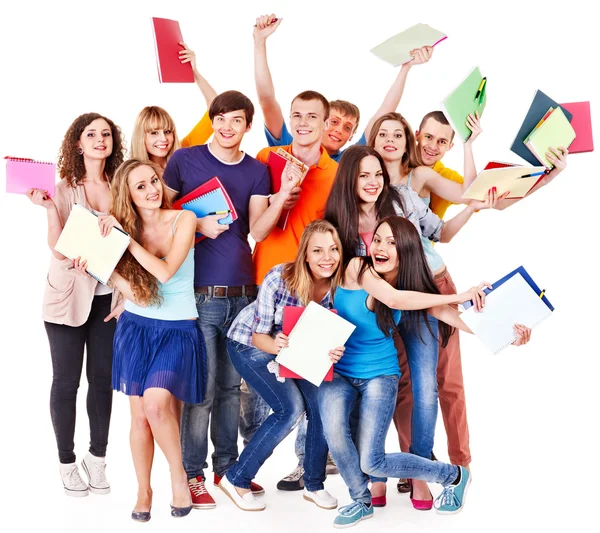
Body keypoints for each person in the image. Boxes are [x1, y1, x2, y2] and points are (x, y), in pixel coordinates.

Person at [321, 216, 531, 528]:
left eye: (391, 242)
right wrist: (459, 295)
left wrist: (508, 335)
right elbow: (392, 298)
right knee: (344, 428)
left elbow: (456, 319)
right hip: (345, 366)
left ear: (405, 250)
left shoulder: (413, 286)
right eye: (377, 239)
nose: (380, 247)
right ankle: (366, 490)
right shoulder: (358, 267)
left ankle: (438, 474)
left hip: (383, 363)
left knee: (400, 424)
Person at [325, 144, 498, 507]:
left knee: (426, 387)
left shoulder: (401, 200)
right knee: (382, 385)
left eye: (377, 174)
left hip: (419, 298)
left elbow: (440, 236)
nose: (373, 182)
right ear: (349, 180)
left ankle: (419, 472)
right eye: (363, 175)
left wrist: (493, 329)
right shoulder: (339, 222)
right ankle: (376, 475)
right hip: (378, 309)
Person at [163, 89, 297, 509]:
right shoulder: (184, 161)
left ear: (246, 125)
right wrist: (197, 223)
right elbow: (158, 216)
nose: (226, 126)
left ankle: (226, 468)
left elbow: (257, 230)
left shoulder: (257, 171)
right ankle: (193, 474)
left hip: (244, 295)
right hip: (200, 294)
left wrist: (282, 193)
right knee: (200, 390)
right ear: (212, 119)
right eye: (220, 118)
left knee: (230, 388)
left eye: (236, 120)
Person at [78, 159, 205, 520]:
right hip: (136, 328)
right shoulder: (122, 230)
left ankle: (178, 477)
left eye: (153, 181)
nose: (152, 190)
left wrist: (126, 240)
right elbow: (142, 297)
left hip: (178, 330)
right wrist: (99, 267)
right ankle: (143, 490)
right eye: (141, 186)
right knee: (138, 420)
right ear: (128, 196)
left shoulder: (184, 220)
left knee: (155, 405)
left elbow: (164, 273)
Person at [242, 87, 339, 489]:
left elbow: (337, 238)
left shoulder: (336, 174)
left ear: (325, 123)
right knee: (251, 381)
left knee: (309, 380)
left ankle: (306, 461)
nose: (301, 122)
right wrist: (283, 195)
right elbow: (256, 230)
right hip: (265, 285)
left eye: (311, 116)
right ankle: (251, 457)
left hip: (312, 295)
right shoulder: (269, 159)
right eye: (296, 115)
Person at [25, 112, 125, 497]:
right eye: (91, 134)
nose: (100, 139)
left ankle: (96, 460)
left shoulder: (121, 186)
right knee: (66, 382)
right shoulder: (65, 188)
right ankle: (67, 462)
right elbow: (57, 247)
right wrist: (51, 210)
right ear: (78, 143)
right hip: (67, 296)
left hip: (107, 299)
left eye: (106, 134)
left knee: (103, 382)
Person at [221, 219, 344, 511]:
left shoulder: (339, 287)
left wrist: (334, 351)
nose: (327, 258)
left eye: (333, 249)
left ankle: (313, 485)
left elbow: (326, 336)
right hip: (252, 343)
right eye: (318, 251)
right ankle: (236, 478)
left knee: (319, 407)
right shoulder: (280, 277)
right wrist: (275, 346)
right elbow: (259, 334)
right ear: (305, 254)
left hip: (297, 351)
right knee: (290, 409)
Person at [253, 14, 433, 162]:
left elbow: (384, 112)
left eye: (347, 128)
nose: (339, 130)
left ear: (352, 137)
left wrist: (405, 68)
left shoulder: (348, 159)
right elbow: (267, 101)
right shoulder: (290, 144)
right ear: (322, 121)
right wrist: (259, 42)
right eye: (334, 121)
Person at [413, 110, 569, 217]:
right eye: (428, 137)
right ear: (416, 135)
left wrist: (545, 180)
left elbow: (499, 204)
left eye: (442, 141)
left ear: (450, 146)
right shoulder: (398, 158)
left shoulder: (447, 177)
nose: (433, 146)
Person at [130, 43, 218, 168]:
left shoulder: (182, 151)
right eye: (154, 133)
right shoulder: (131, 171)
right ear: (141, 137)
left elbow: (216, 108)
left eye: (167, 131)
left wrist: (194, 72)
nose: (163, 138)